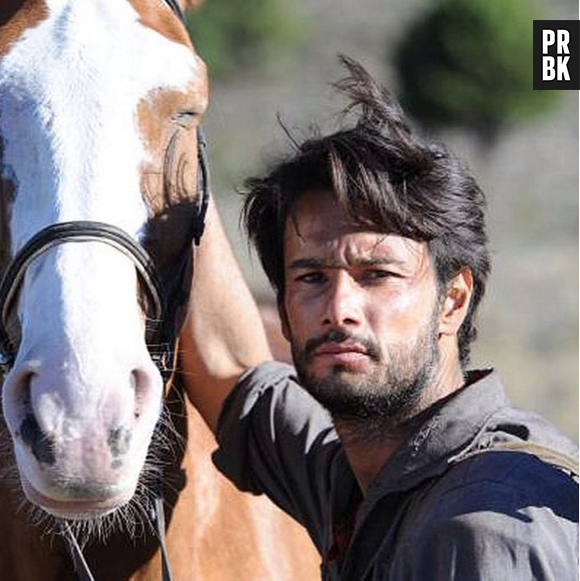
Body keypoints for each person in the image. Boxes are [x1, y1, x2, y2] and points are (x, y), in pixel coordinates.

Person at [180, 56, 578, 580]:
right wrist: (172, 136)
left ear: (452, 300)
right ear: (284, 310)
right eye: (311, 278)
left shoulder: (481, 528)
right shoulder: (363, 476)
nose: (338, 308)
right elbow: (231, 371)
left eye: (376, 275)